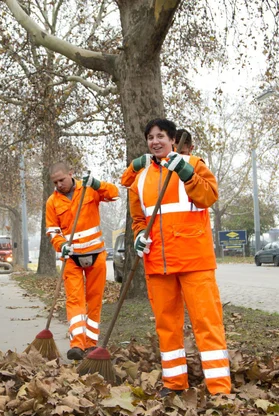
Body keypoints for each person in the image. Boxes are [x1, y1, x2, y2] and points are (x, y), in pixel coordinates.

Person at [128, 119, 231, 395]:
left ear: (173, 140)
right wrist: (139, 236)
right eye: (150, 137)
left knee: (207, 323)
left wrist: (185, 172)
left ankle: (219, 387)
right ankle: (174, 383)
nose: (155, 141)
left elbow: (209, 196)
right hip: (157, 263)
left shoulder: (194, 165)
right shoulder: (140, 179)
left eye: (160, 136)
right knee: (167, 326)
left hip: (194, 261)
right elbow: (138, 219)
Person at [45, 163, 119, 360]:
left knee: (94, 300)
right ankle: (77, 344)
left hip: (96, 255)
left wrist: (96, 184)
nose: (59, 184)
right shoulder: (52, 202)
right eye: (55, 182)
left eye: (62, 179)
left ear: (71, 173)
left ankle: (91, 344)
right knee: (75, 300)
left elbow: (114, 194)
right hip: (71, 258)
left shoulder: (89, 190)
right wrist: (61, 245)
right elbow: (52, 230)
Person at [121, 128, 194, 188]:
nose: (178, 156)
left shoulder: (195, 165)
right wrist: (134, 167)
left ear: (191, 148)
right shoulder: (153, 164)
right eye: (174, 150)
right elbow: (126, 182)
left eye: (181, 153)